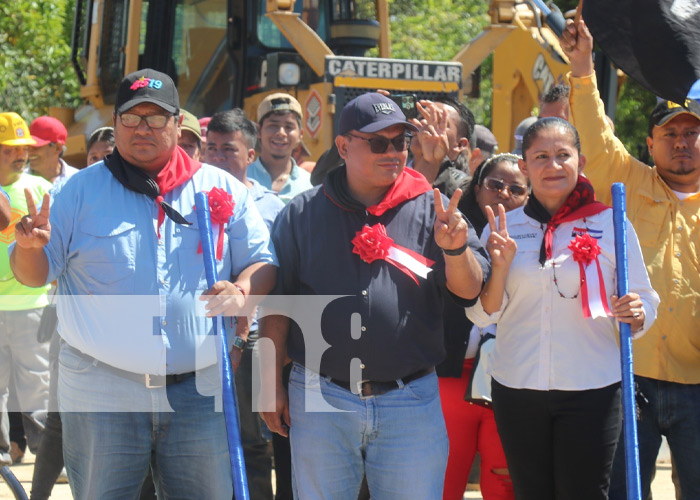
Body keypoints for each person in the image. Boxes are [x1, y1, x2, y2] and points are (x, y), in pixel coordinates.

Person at [9, 68, 278, 499]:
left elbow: (263, 262)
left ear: (177, 122)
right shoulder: (78, 192)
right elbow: (35, 274)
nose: (142, 129)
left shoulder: (218, 187)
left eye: (156, 118)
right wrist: (27, 248)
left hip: (199, 389)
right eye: (132, 117)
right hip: (101, 392)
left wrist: (243, 289)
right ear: (115, 122)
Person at [260, 92, 490, 500]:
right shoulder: (301, 213)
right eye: (378, 142)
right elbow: (277, 303)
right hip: (320, 394)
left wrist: (454, 249)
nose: (393, 152)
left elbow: (470, 289)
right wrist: (266, 384)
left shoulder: (432, 207)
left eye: (400, 141)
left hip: (410, 399)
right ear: (344, 146)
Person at [466, 117, 659, 500]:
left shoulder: (611, 221)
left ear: (580, 162)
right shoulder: (502, 227)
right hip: (517, 387)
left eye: (562, 155)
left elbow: (645, 298)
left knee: (584, 493)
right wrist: (500, 267)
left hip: (593, 389)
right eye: (540, 156)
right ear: (524, 166)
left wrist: (638, 312)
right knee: (530, 492)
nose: (552, 166)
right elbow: (483, 314)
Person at [562, 18, 700, 499]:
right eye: (671, 133)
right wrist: (582, 67)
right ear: (650, 143)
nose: (682, 142)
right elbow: (595, 135)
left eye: (692, 133)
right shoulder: (628, 180)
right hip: (626, 377)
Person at [205, 108, 285, 500]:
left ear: (250, 155)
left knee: (252, 441)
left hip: (254, 340)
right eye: (211, 149)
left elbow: (281, 277)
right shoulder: (191, 199)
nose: (218, 157)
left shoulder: (272, 207)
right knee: (204, 439)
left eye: (228, 149)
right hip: (204, 338)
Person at [440, 153, 528, 500]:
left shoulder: (540, 242)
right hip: (451, 377)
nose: (504, 193)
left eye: (517, 189)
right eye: (495, 184)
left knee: (503, 483)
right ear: (477, 189)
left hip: (508, 383)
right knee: (444, 480)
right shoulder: (450, 231)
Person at [0, 111, 52, 467]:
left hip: (31, 302)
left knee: (38, 384)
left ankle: (48, 459)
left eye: (24, 148)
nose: (20, 155)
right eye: (10, 149)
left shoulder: (41, 189)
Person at [247, 93, 312, 204]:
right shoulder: (242, 179)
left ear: (300, 135)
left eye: (289, 127)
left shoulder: (309, 184)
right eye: (273, 126)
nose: (281, 133)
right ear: (258, 131)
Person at [411, 96, 475, 197]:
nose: (424, 123)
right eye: (422, 117)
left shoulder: (463, 192)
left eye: (438, 122)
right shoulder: (389, 171)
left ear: (460, 145)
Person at [27, 116, 78, 186]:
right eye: (28, 146)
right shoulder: (17, 181)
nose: (30, 151)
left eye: (36, 146)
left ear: (57, 148)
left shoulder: (77, 180)